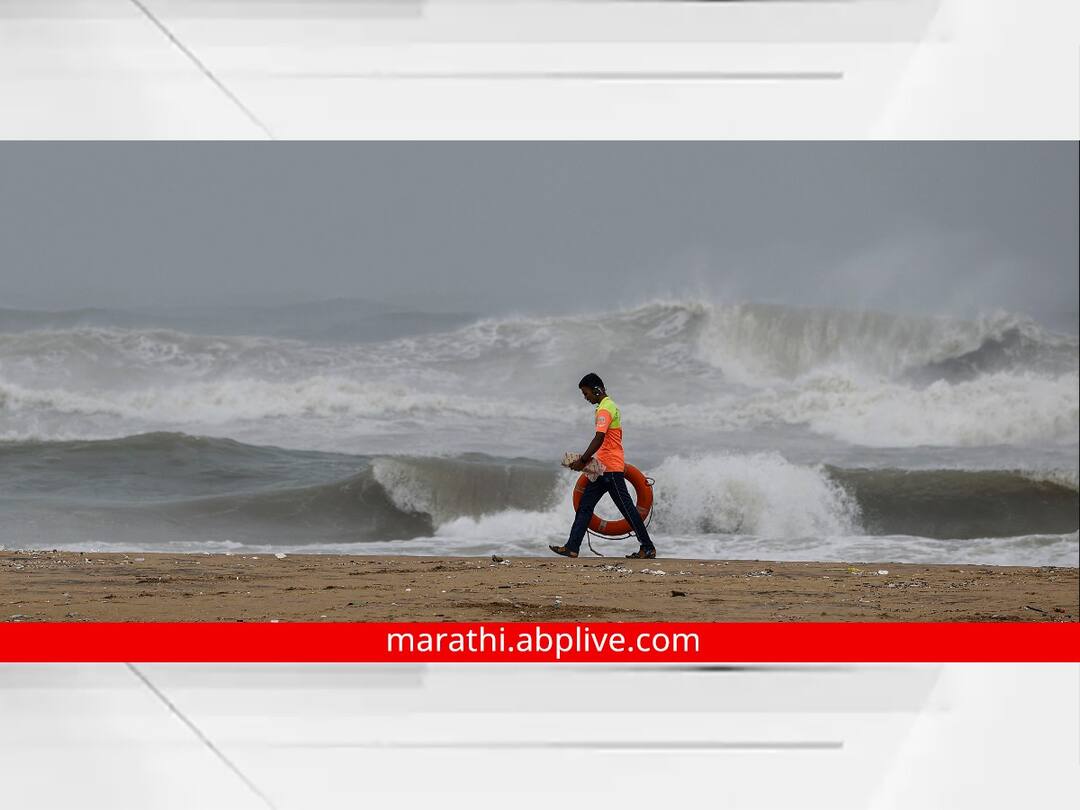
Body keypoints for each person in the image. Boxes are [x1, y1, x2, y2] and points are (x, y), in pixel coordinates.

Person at [550, 373, 658, 559]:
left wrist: (582, 460)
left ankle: (648, 547)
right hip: (602, 469)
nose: (585, 397)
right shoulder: (606, 407)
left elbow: (599, 438)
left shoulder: (606, 409)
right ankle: (572, 547)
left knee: (627, 509)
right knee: (585, 507)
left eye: (586, 393)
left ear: (597, 390)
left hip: (611, 470)